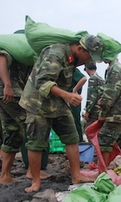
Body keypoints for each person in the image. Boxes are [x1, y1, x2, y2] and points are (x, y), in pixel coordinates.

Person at [19, 34, 103, 192]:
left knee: (72, 137)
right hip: (39, 102)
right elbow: (43, 82)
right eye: (89, 56)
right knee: (36, 143)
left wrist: (67, 95)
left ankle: (76, 175)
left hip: (58, 102)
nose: (89, 61)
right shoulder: (55, 54)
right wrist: (68, 95)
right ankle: (35, 181)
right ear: (80, 48)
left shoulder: (74, 58)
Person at [0, 36, 50, 185]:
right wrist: (7, 85)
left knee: (13, 132)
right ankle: (32, 171)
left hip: (8, 95)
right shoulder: (13, 50)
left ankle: (5, 176)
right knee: (33, 125)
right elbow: (1, 58)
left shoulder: (27, 56)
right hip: (9, 92)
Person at [97, 34, 121, 170]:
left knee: (105, 141)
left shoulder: (114, 69)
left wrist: (103, 112)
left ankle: (101, 173)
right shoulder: (119, 67)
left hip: (115, 114)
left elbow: (110, 94)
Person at [83, 62, 104, 128]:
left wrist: (87, 111)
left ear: (86, 69)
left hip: (94, 112)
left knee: (90, 129)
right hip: (100, 110)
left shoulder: (92, 79)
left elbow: (92, 97)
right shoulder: (101, 79)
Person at [69, 68, 87, 142]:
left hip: (73, 100)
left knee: (75, 122)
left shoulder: (72, 69)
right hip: (65, 100)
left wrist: (74, 90)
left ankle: (79, 143)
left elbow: (83, 78)